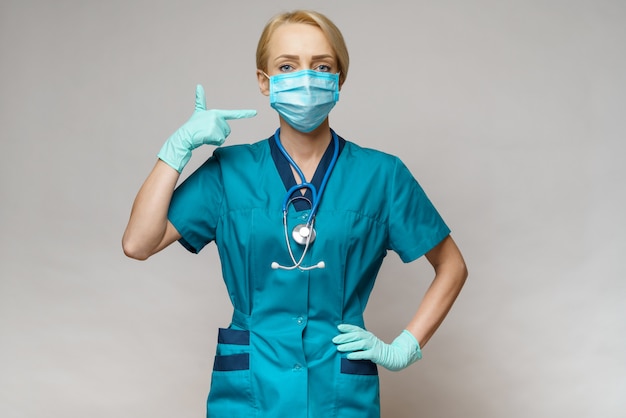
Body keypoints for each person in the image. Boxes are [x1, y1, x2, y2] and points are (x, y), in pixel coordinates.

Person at [122, 9, 467, 418]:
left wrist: (404, 347)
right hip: (250, 390)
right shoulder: (228, 172)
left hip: (338, 392)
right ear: (264, 82)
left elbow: (451, 266)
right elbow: (138, 243)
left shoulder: (383, 175)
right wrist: (177, 149)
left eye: (322, 66)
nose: (305, 77)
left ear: (339, 79)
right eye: (288, 66)